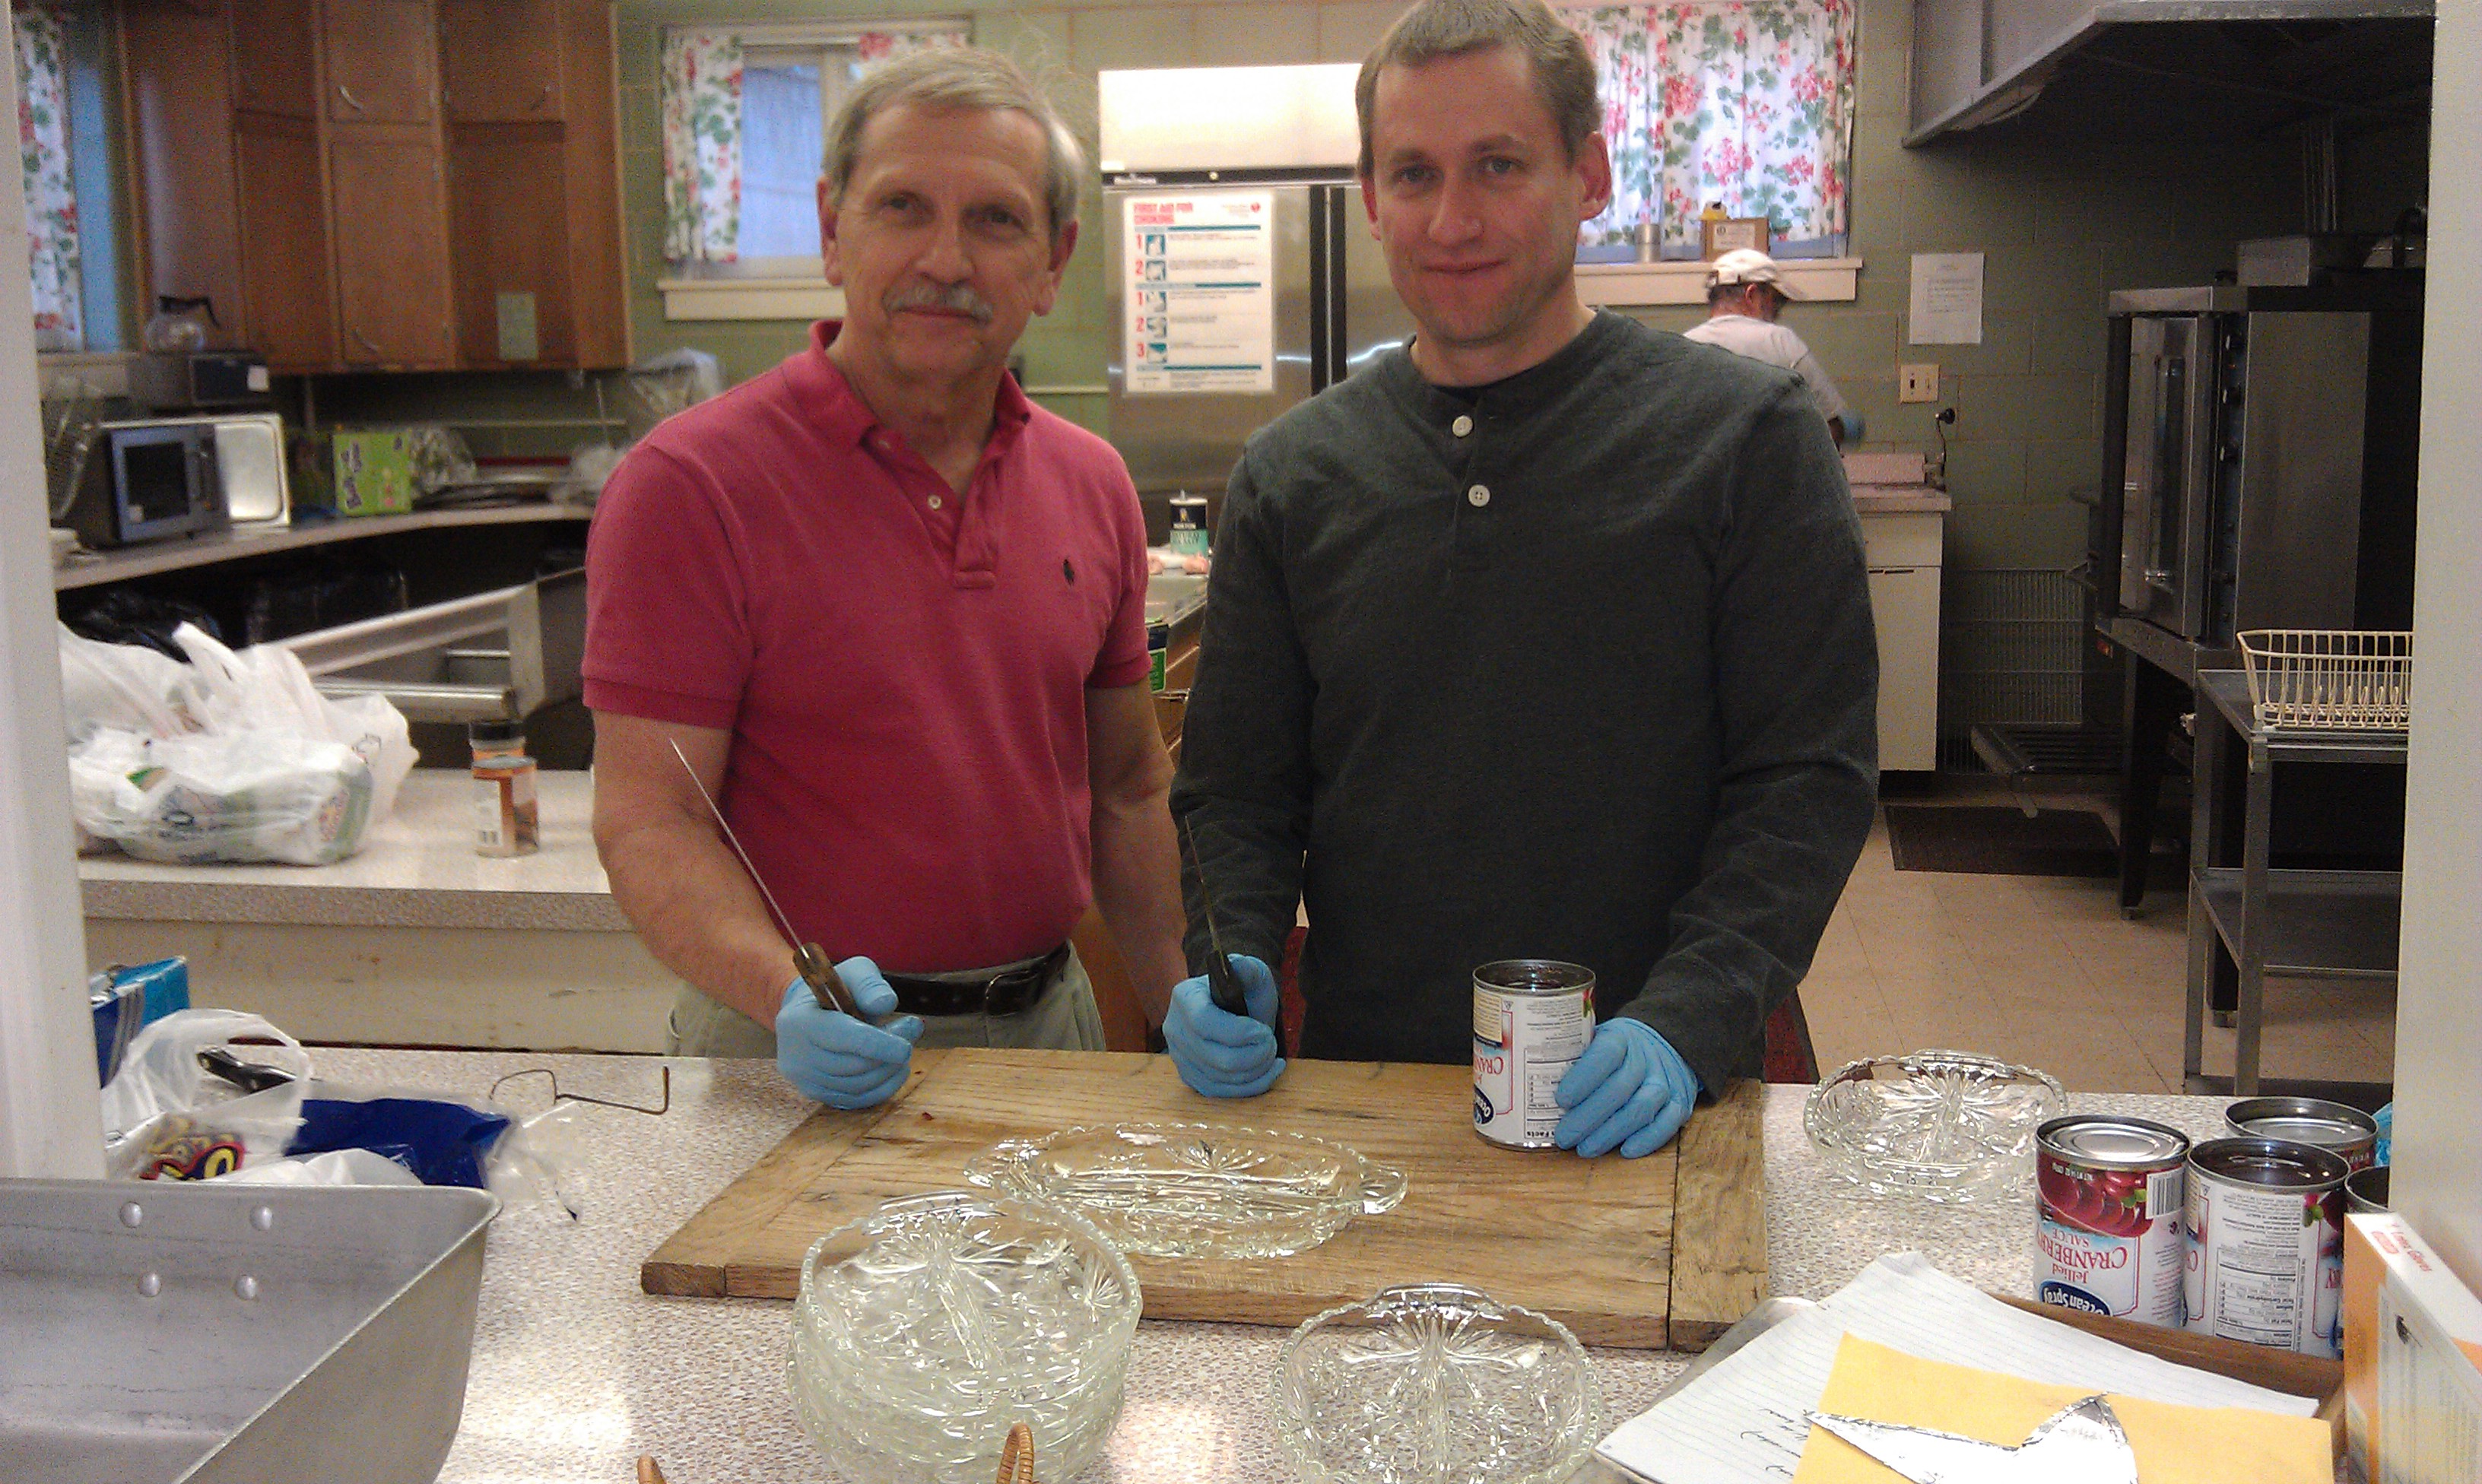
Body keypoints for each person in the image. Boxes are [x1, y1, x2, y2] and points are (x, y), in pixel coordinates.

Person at [1163, 0, 1877, 1158]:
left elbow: (1806, 778)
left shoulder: (1743, 438)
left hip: (1655, 1101)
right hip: (1368, 1094)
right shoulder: (1293, 473)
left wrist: (1688, 1021)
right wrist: (1230, 954)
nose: (1452, 219)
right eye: (1414, 173)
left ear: (1588, 174)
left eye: (1498, 165)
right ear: (1372, 195)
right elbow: (1237, 790)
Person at [585, 49, 1188, 1110]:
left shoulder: (1092, 483)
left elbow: (1131, 788)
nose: (945, 259)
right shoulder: (689, 487)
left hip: (1053, 1038)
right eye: (903, 206)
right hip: (790, 1051)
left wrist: (1179, 996)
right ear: (831, 229)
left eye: (997, 222)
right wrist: (787, 995)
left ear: (1054, 262)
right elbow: (651, 821)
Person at [1681, 248, 1852, 444]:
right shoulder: (1782, 342)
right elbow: (1830, 429)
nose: (1778, 312)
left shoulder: (1684, 347)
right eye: (1775, 301)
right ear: (1752, 295)